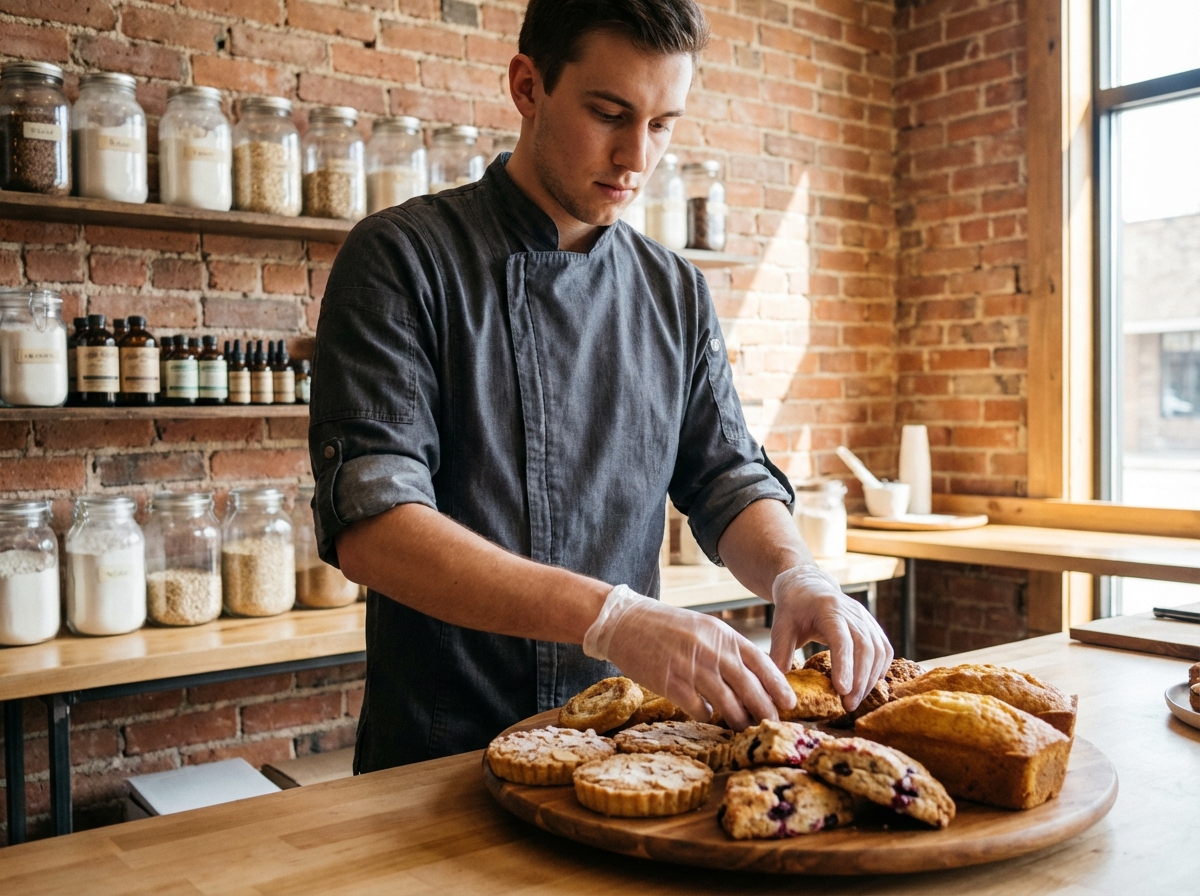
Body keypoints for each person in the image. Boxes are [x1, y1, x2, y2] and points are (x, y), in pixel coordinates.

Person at [308, 0, 893, 774]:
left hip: (623, 756)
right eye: (610, 113)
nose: (635, 157)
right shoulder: (401, 259)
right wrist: (613, 618)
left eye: (661, 124)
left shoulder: (674, 290)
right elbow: (375, 526)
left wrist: (795, 571)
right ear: (528, 86)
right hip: (439, 754)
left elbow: (724, 475)